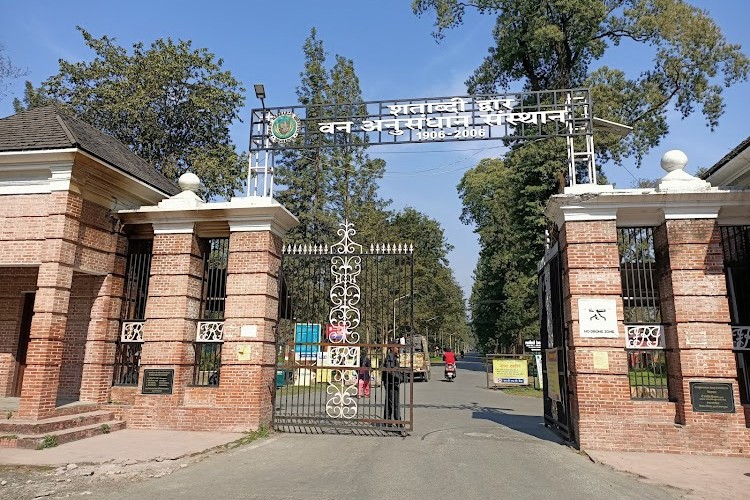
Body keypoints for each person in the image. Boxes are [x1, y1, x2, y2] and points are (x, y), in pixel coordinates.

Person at [383, 341, 401, 425]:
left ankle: (387, 421)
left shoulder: (393, 356)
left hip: (391, 382)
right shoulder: (390, 356)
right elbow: (390, 370)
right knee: (394, 403)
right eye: (397, 347)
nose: (398, 349)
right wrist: (399, 377)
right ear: (392, 348)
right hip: (391, 383)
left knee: (389, 402)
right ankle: (398, 422)